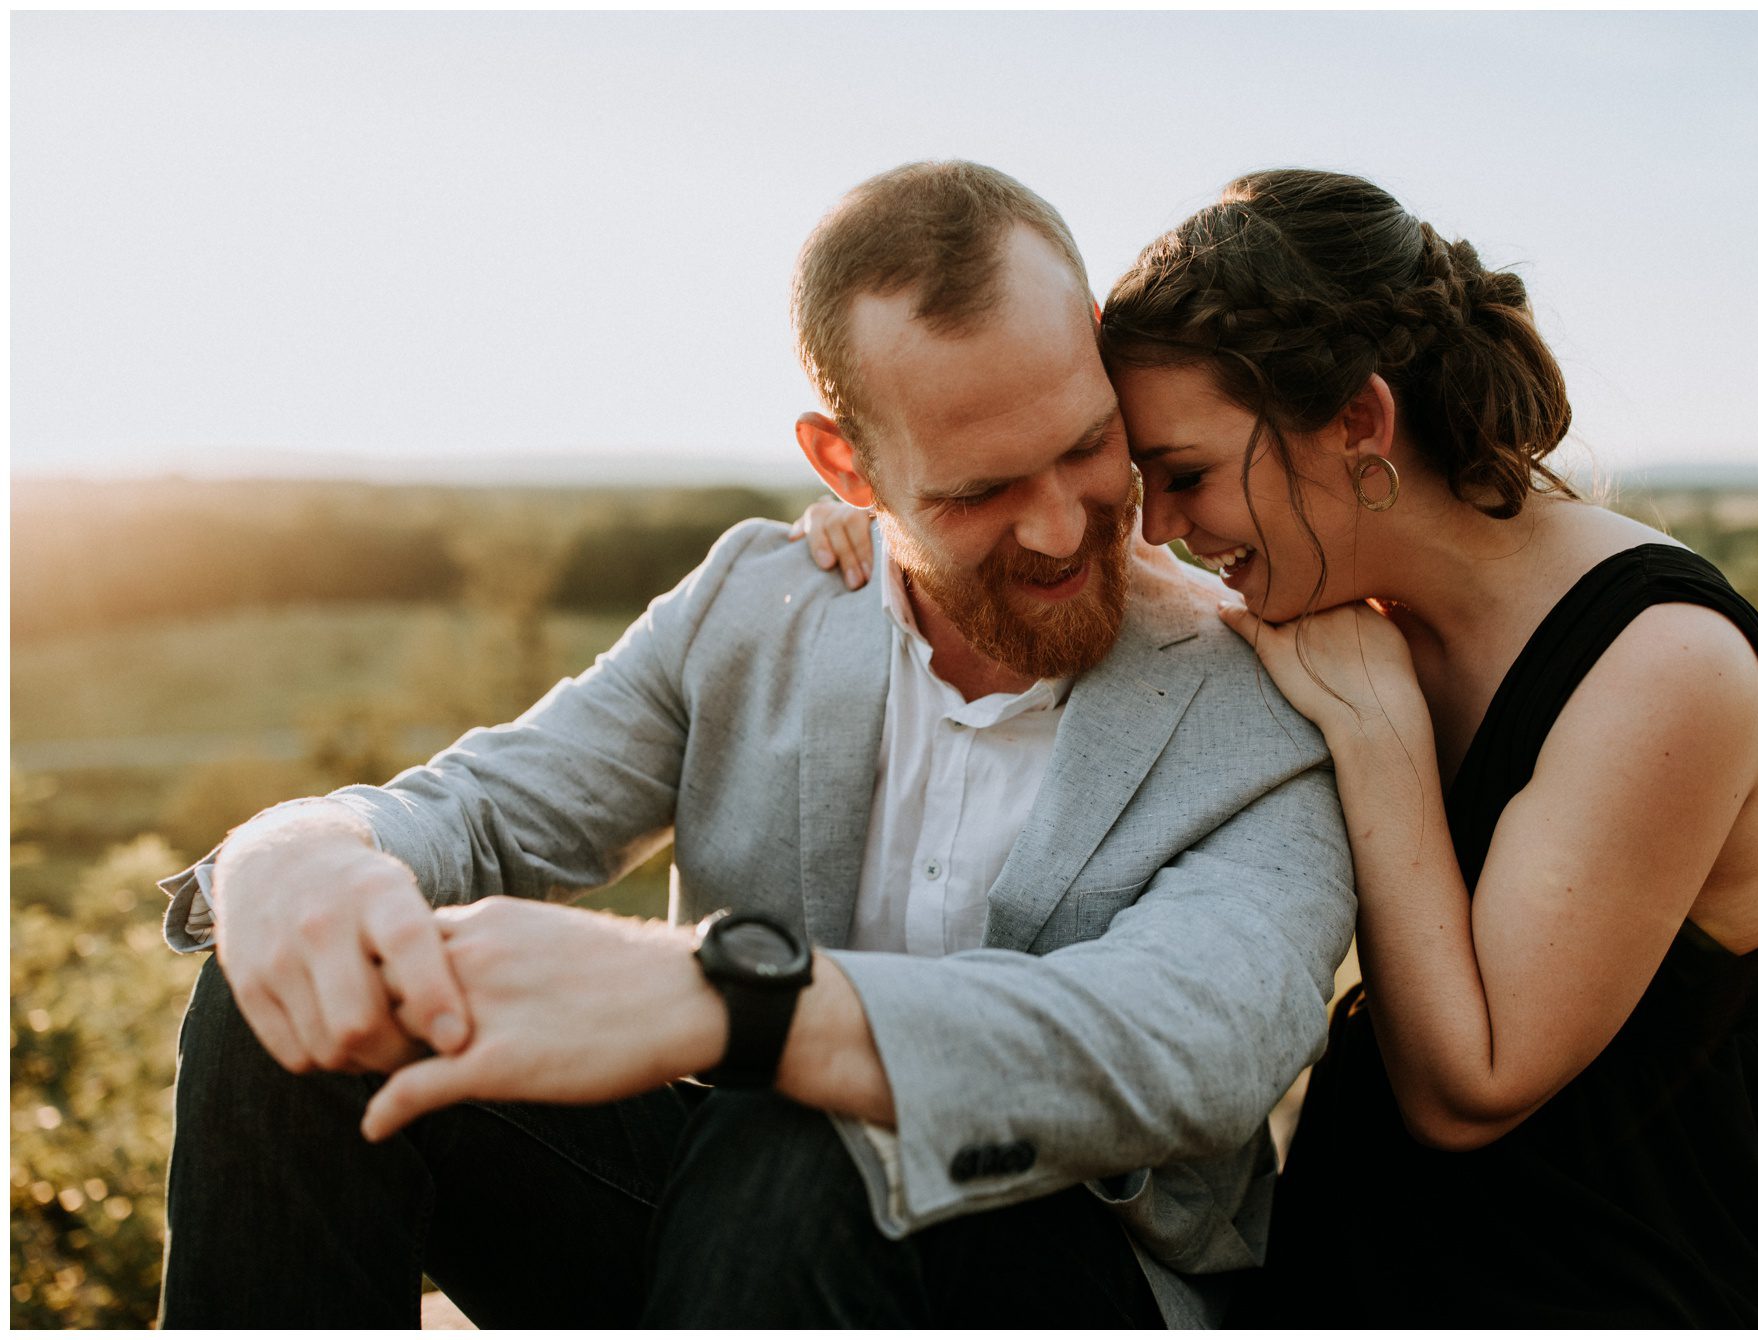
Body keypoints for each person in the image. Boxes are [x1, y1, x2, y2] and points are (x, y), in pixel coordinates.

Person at [154, 160, 1355, 1329]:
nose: (1055, 524)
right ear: (848, 464)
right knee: (293, 994)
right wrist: (307, 844)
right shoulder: (753, 601)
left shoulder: (1259, 688)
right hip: (721, 1243)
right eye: (977, 490)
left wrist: (745, 1008)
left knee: (808, 1123)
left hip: (1059, 1278)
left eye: (1086, 446)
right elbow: (487, 809)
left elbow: (1191, 1038)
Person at [797, 168, 1758, 1326]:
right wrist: (894, 524)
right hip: (1387, 1230)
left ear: (1357, 422)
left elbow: (1472, 1086)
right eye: (1142, 478)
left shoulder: (1658, 666)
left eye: (1184, 474)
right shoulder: (1329, 588)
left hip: (1652, 1243)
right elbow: (1051, 587)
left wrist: (1379, 736)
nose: (1157, 527)